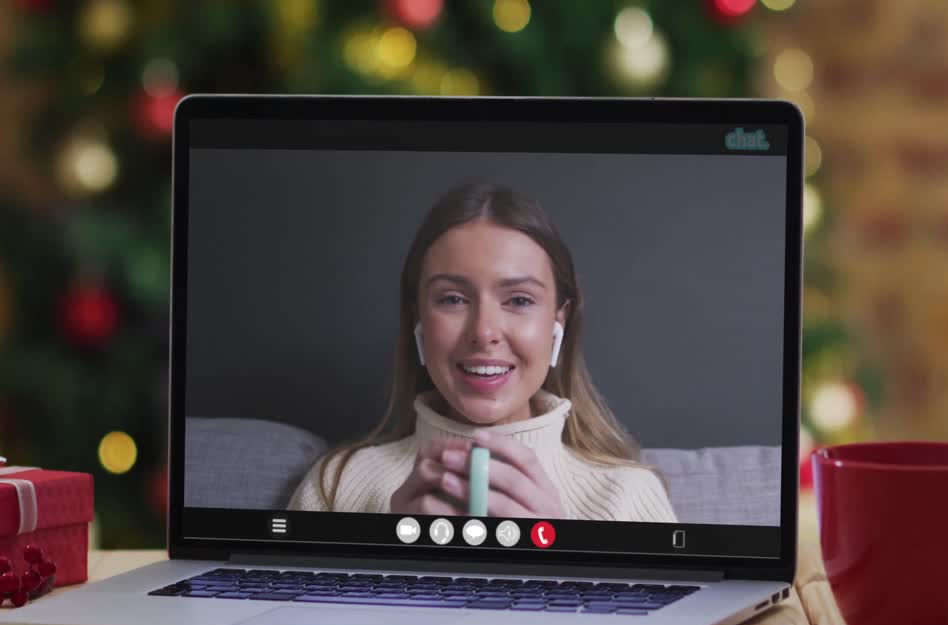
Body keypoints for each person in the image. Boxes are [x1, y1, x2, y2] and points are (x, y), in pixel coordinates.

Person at [287, 181, 676, 522]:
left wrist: (559, 557)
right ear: (417, 318)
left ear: (559, 321)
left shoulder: (628, 496)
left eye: (519, 300)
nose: (484, 332)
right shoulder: (338, 484)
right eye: (453, 299)